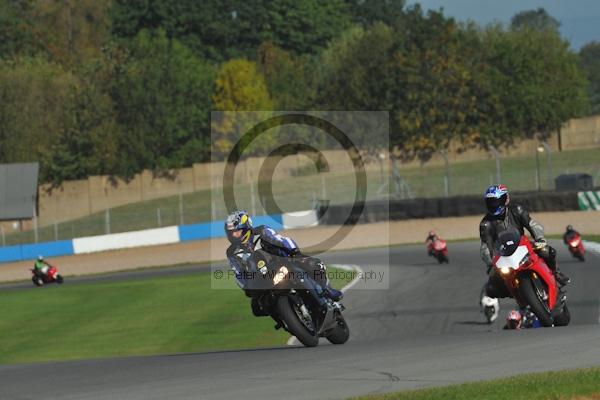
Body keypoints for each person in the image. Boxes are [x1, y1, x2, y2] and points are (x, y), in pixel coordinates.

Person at [224, 210, 343, 303]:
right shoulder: (232, 252)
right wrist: (246, 286)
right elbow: (238, 272)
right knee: (257, 306)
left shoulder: (262, 231)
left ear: (246, 227)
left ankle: (328, 289)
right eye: (231, 233)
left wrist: (295, 253)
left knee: (313, 263)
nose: (234, 235)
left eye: (237, 231)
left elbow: (282, 240)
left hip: (283, 261)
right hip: (262, 279)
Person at [479, 184, 570, 299]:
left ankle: (556, 273)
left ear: (505, 199)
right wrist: (490, 263)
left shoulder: (517, 210)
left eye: (496, 201)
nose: (493, 205)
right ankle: (517, 296)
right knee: (491, 288)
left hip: (524, 246)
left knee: (547, 251)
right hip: (503, 256)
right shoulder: (486, 224)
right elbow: (485, 247)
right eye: (490, 202)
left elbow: (532, 225)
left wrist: (540, 239)